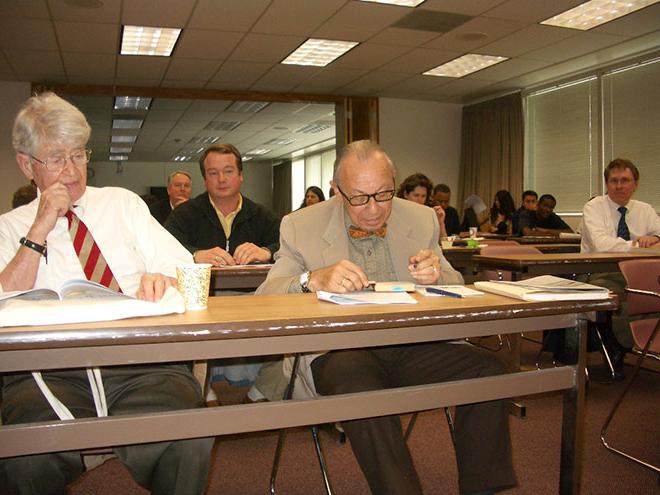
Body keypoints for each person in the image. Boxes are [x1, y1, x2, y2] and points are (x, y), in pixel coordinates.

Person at [257, 140, 516, 495]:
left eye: (384, 194)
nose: (375, 210)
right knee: (362, 390)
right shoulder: (300, 225)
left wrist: (436, 274)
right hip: (338, 351)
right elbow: (266, 297)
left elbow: (456, 283)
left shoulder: (420, 217)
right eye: (360, 197)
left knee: (489, 371)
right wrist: (309, 280)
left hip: (410, 344)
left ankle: (482, 489)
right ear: (337, 190)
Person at [0, 92, 213, 495]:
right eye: (57, 158)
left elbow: (184, 270)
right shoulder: (10, 227)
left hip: (140, 360)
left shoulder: (122, 204)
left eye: (79, 155)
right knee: (23, 452)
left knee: (188, 432)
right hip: (48, 368)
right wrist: (40, 228)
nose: (73, 171)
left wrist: (163, 280)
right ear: (27, 165)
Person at [581, 158, 660, 376]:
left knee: (647, 291)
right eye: (613, 181)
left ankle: (637, 343)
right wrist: (638, 244)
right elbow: (603, 245)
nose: (619, 186)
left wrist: (653, 237)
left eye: (625, 180)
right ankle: (620, 347)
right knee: (617, 296)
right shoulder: (594, 207)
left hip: (637, 271)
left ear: (635, 184)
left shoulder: (644, 209)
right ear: (606, 184)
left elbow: (659, 236)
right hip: (598, 270)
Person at [165, 143, 280, 266]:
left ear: (240, 175)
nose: (221, 179)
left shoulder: (262, 215)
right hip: (201, 284)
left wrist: (268, 252)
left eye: (228, 171)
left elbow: (289, 245)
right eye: (213, 173)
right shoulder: (183, 214)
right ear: (205, 179)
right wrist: (194, 255)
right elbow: (163, 247)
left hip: (253, 285)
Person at [397, 173, 448, 239]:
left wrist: (440, 223)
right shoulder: (397, 213)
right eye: (416, 195)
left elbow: (444, 244)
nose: (420, 200)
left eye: (423, 196)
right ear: (406, 194)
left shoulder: (430, 213)